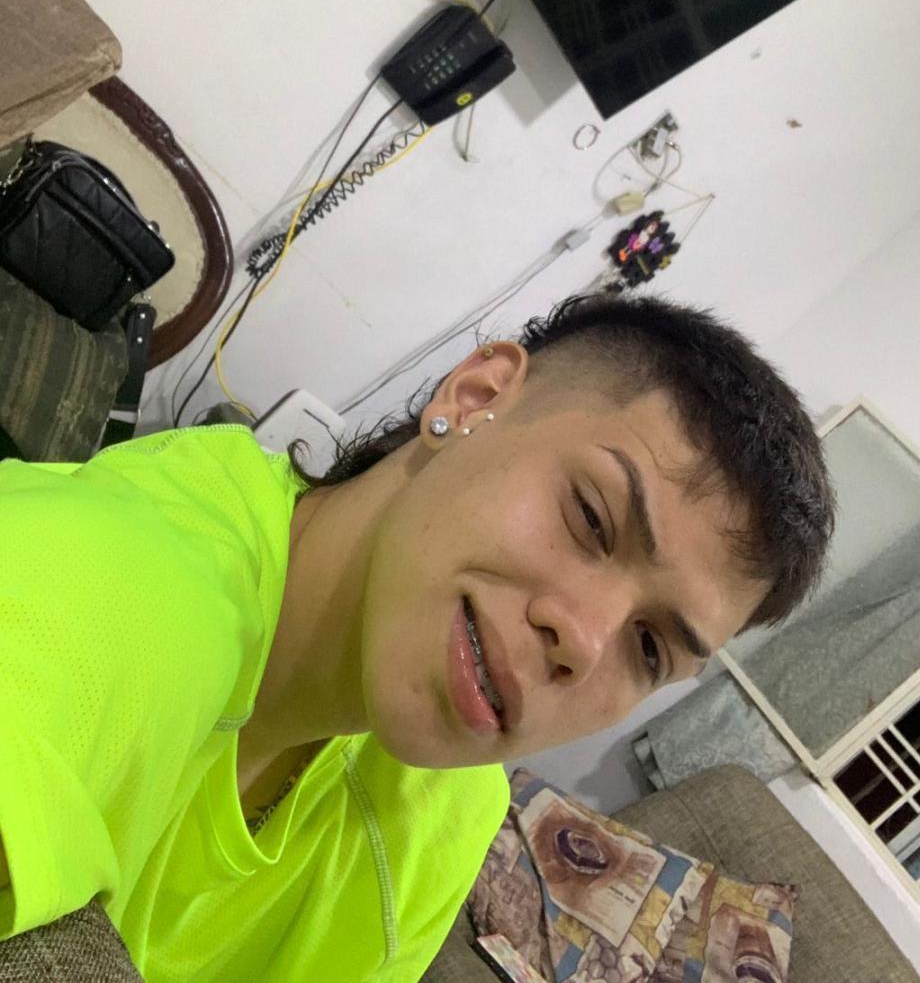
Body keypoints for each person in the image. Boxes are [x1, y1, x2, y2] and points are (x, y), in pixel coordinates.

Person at [0, 291, 835, 982]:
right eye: (590, 517)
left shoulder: (446, 818)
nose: (583, 642)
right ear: (473, 398)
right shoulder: (109, 577)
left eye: (649, 649)